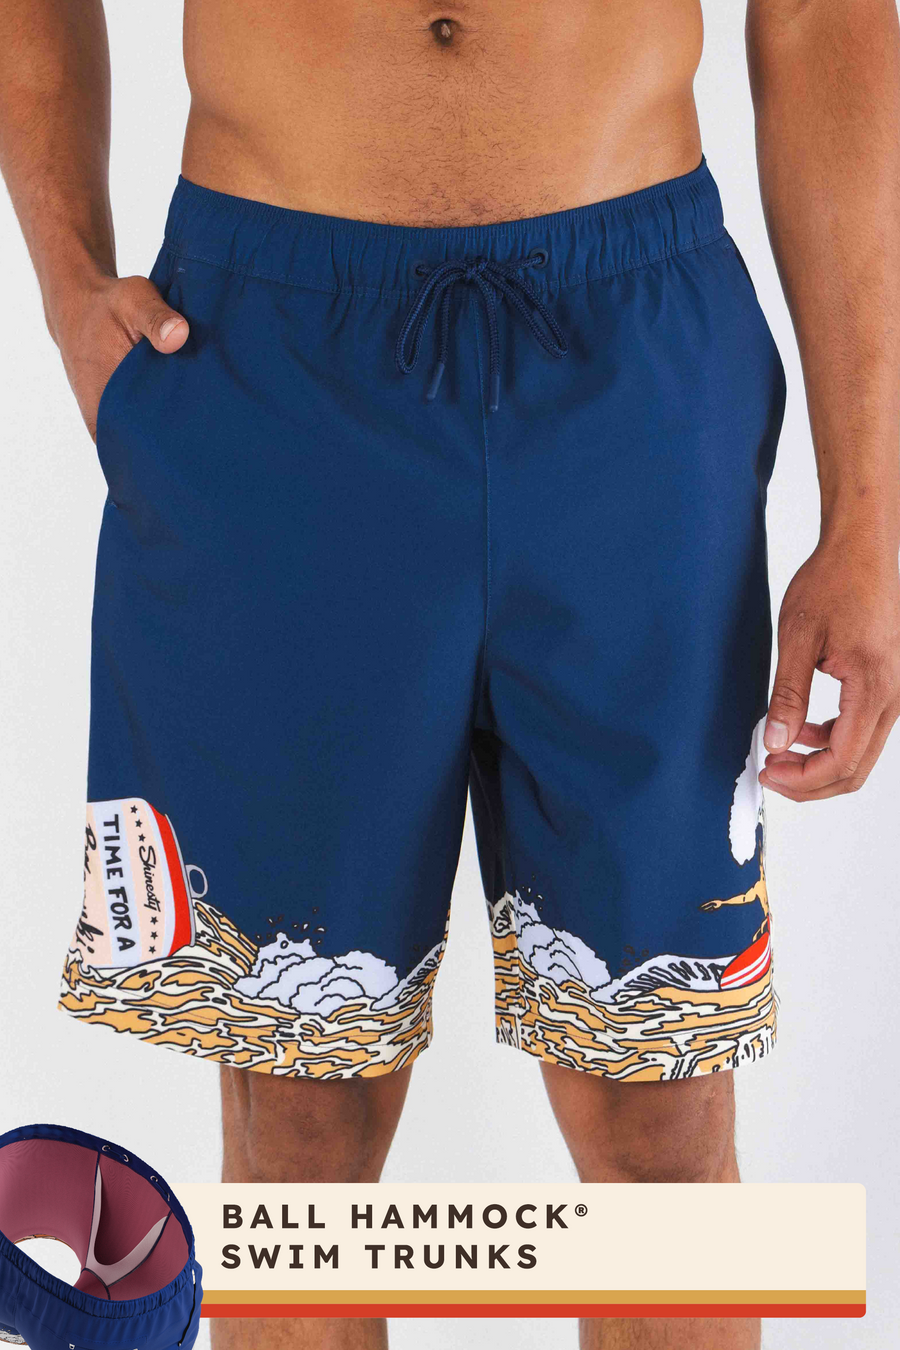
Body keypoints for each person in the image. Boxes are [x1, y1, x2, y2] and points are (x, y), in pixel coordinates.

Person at [2, 4, 900, 1349]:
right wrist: (70, 277)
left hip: (631, 361)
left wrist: (870, 509)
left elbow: (827, 17)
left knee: (662, 1120)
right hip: (270, 362)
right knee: (301, 1141)